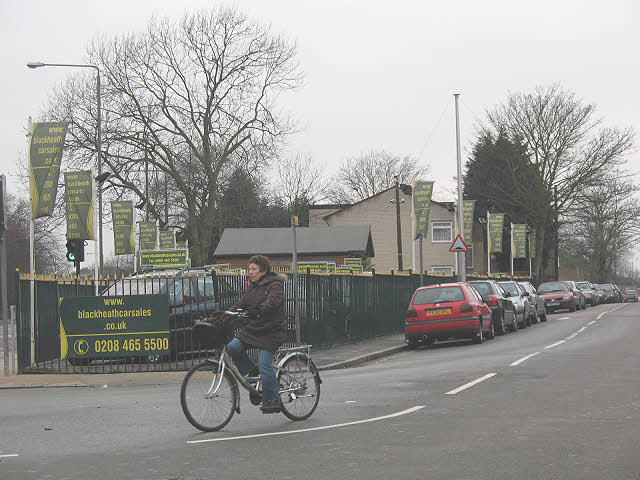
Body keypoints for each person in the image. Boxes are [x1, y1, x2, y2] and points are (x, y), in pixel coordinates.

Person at [226, 255, 287, 414]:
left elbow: (272, 302)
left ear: (263, 270)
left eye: (253, 269)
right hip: (254, 329)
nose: (250, 272)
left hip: (271, 332)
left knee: (265, 364)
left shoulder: (275, 285)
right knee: (232, 347)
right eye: (249, 269)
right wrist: (226, 314)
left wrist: (259, 310)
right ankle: (251, 370)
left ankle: (272, 400)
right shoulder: (252, 287)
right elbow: (241, 303)